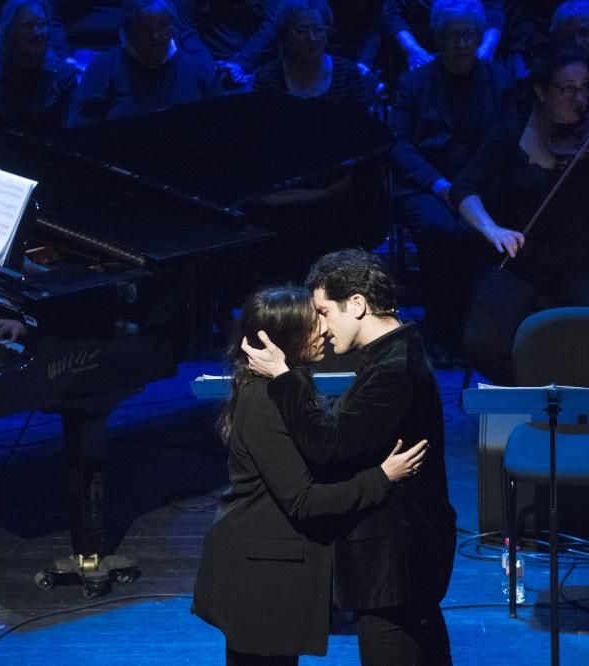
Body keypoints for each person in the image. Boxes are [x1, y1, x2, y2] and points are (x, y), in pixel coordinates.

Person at [193, 285, 428, 665]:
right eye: (311, 323)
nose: (323, 329)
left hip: (271, 566)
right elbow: (304, 500)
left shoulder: (287, 385)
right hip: (258, 575)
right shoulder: (266, 402)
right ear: (281, 338)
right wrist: (382, 477)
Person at [243, 249, 457, 665]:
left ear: (356, 304)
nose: (319, 327)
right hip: (402, 555)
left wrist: (286, 378)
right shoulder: (392, 355)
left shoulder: (391, 370)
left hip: (393, 560)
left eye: (323, 311)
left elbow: (329, 446)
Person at [449, 38, 589, 384]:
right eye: (567, 89)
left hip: (576, 264)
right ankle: (530, 394)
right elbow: (463, 189)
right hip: (518, 264)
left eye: (586, 88)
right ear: (541, 91)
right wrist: (492, 229)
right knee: (480, 342)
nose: (580, 99)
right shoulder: (512, 134)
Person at [389, 0, 515, 365]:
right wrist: (438, 184)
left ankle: (474, 328)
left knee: (477, 229)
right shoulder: (414, 82)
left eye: (469, 35)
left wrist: (471, 187)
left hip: (482, 183)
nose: (462, 44)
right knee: (439, 228)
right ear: (439, 38)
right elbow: (398, 144)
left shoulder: (499, 80)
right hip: (429, 183)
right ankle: (441, 329)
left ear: (479, 37)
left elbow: (507, 139)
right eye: (454, 36)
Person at [67, 0, 218, 127]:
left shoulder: (198, 68)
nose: (155, 36)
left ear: (173, 29)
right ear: (128, 31)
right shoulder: (103, 69)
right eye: (145, 29)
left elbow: (216, 123)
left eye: (162, 27)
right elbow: (81, 130)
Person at [0, 0, 80, 144]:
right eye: (28, 26)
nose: (37, 32)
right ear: (9, 30)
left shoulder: (64, 77)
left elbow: (69, 137)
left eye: (42, 24)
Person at [250, 0, 372, 110]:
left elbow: (364, 127)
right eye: (301, 31)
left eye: (318, 29)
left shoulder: (347, 74)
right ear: (285, 36)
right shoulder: (267, 78)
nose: (311, 38)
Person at [383, 0, 505, 71]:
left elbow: (493, 7)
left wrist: (488, 47)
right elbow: (392, 14)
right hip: (417, 49)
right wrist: (413, 50)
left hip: (469, 47)